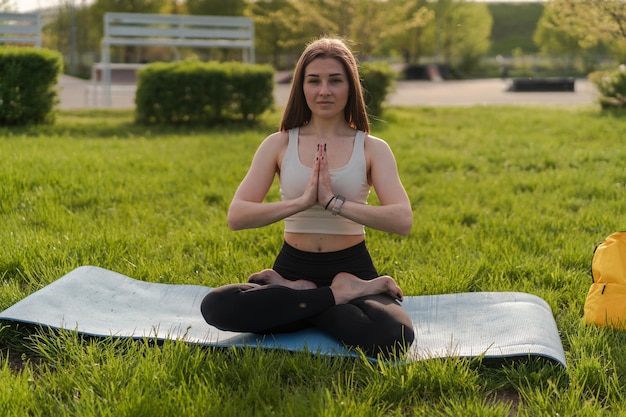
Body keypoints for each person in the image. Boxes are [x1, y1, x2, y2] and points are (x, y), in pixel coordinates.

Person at [200, 37, 415, 358]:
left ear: (350, 86)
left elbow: (402, 220)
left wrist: (333, 203)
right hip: (292, 267)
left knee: (394, 336)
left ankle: (299, 299)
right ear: (301, 86)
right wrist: (301, 202)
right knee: (217, 306)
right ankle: (332, 295)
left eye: (335, 81)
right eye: (313, 81)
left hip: (353, 268)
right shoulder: (279, 144)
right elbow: (237, 216)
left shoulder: (372, 148)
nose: (324, 90)